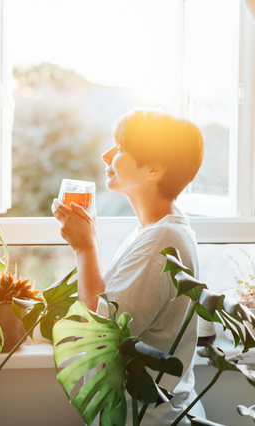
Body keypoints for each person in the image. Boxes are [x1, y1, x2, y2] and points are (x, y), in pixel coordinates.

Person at [51, 108, 205, 425]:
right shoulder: (159, 231)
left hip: (147, 418)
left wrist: (85, 248)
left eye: (121, 148)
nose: (108, 154)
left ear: (154, 170)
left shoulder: (162, 240)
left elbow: (95, 334)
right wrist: (88, 237)